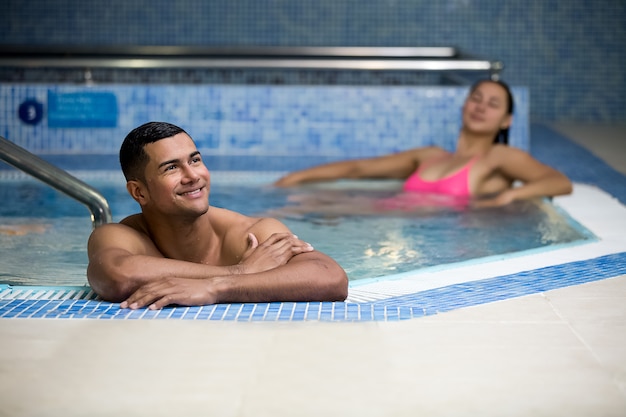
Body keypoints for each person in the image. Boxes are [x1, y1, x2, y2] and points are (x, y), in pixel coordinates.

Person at [86, 122, 348, 310]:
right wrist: (240, 270)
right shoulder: (122, 236)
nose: (192, 177)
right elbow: (116, 275)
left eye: (195, 160)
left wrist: (217, 287)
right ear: (139, 192)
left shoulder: (250, 233)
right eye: (171, 168)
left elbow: (331, 277)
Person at [275, 80, 573, 207]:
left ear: (506, 121)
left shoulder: (498, 156)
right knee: (300, 203)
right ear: (464, 105)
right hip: (384, 219)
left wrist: (509, 198)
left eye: (493, 104)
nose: (481, 107)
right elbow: (359, 168)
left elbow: (558, 181)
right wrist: (296, 177)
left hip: (436, 236)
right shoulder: (430, 156)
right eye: (476, 98)